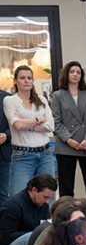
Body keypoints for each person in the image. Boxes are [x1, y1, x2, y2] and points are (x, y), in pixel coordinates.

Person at [3, 65, 57, 197]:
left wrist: (28, 124)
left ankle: (46, 214)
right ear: (15, 81)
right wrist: (38, 119)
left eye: (29, 78)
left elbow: (51, 126)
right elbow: (17, 125)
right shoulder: (10, 100)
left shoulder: (42, 100)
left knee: (47, 196)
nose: (26, 81)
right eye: (22, 78)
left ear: (33, 80)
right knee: (19, 197)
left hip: (45, 154)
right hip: (23, 155)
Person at [51, 61, 86, 199]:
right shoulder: (57, 95)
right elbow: (56, 121)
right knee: (66, 188)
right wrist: (69, 140)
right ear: (66, 74)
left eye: (78, 72)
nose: (75, 74)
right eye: (72, 72)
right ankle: (66, 212)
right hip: (66, 146)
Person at [0, 173, 57, 245]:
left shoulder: (43, 205)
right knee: (35, 235)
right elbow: (5, 237)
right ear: (34, 190)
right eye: (45, 197)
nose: (47, 201)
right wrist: (34, 234)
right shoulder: (13, 206)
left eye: (49, 198)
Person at [0, 86, 10, 208]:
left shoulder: (8, 98)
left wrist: (7, 135)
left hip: (3, 155)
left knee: (4, 193)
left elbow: (17, 124)